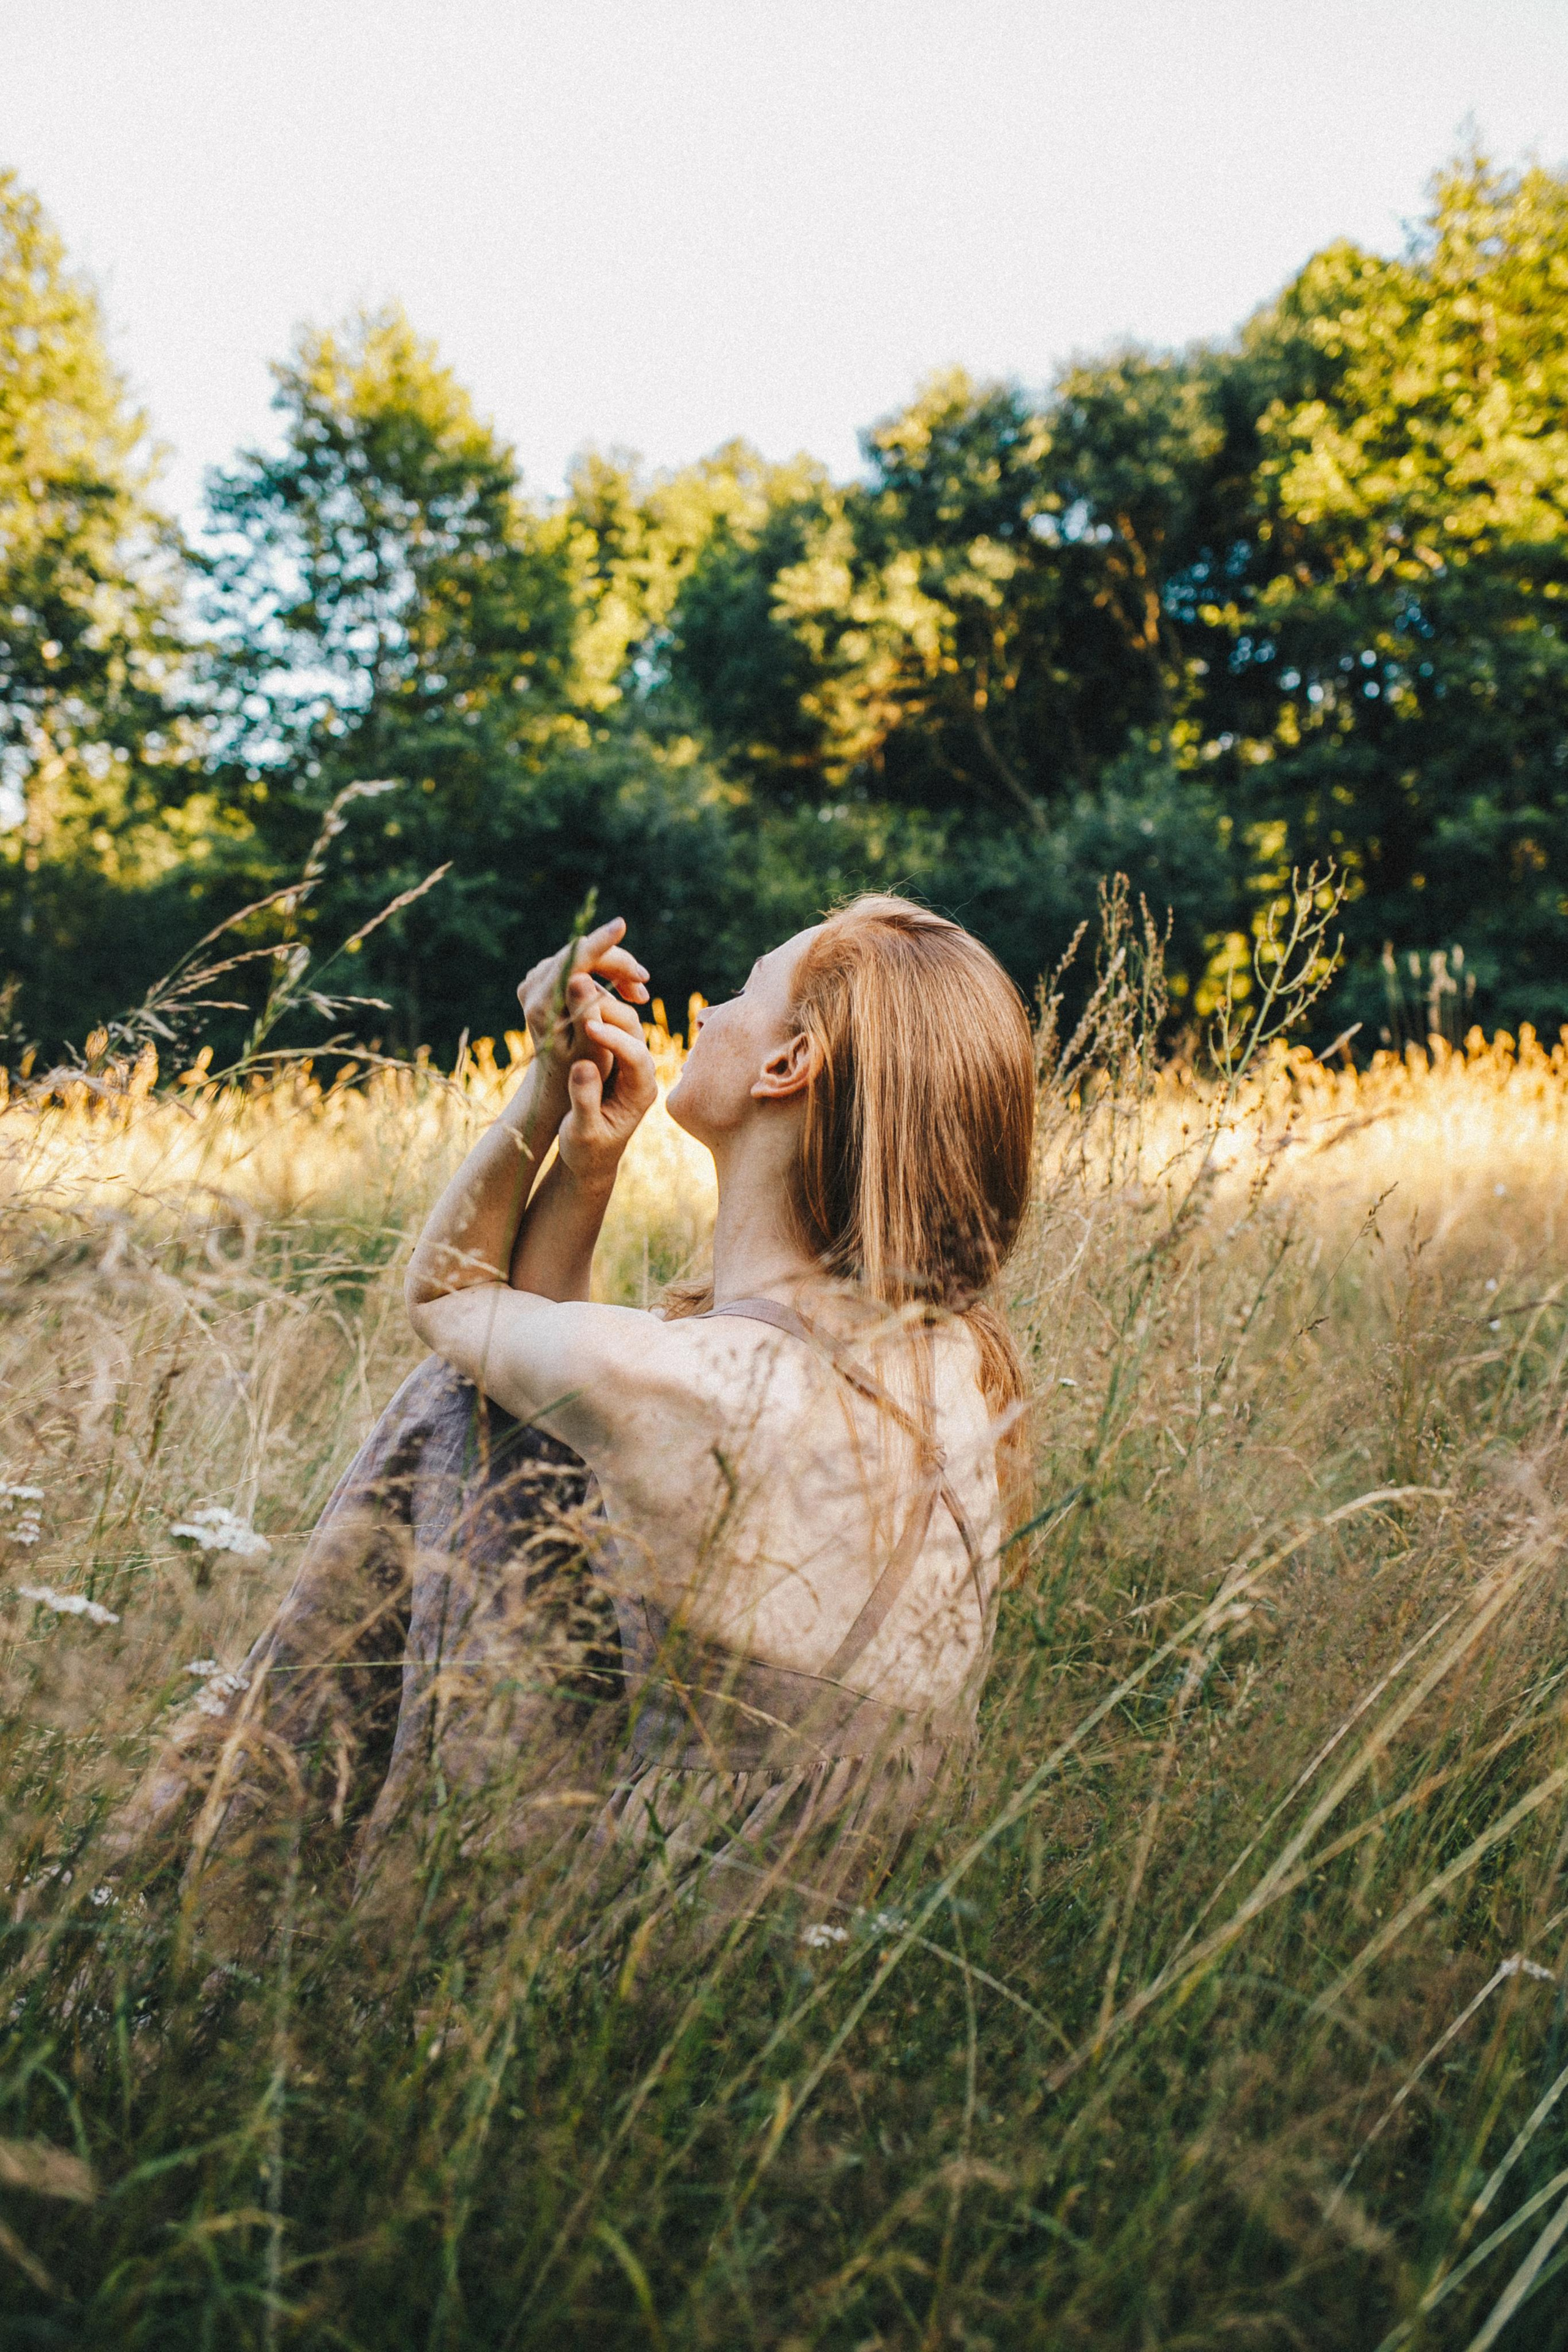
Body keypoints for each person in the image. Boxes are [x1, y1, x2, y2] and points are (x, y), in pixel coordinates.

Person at [111, 895, 1036, 1940]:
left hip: (664, 1936)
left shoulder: (704, 1383)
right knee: (511, 1397)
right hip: (845, 1920)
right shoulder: (953, 1359)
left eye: (746, 987)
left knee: (457, 1396)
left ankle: (231, 1883)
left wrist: (543, 1097)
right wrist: (594, 1161)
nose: (715, 1003)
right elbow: (578, 1400)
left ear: (788, 1066)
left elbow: (450, 1299)